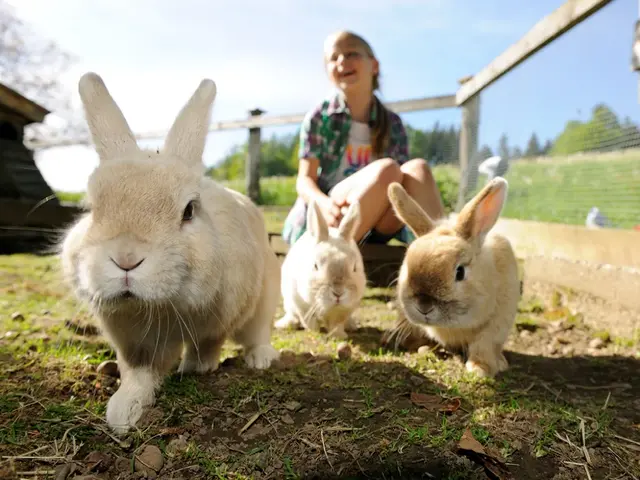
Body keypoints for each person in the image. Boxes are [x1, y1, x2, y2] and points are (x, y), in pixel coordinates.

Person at [282, 30, 446, 246]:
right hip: (334, 214)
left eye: (351, 54)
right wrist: (322, 204)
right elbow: (305, 180)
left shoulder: (393, 124)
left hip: (378, 220)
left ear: (374, 66)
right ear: (328, 71)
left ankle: (442, 251)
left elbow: (406, 187)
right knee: (388, 169)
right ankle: (332, 249)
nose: (342, 61)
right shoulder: (319, 118)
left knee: (418, 169)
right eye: (334, 58)